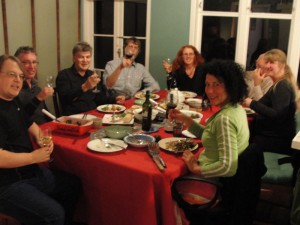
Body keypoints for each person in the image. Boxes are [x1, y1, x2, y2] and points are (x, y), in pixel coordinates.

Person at [0, 55, 82, 225]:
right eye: (12, 75)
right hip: (8, 184)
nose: (18, 80)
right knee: (55, 214)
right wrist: (33, 157)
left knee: (73, 184)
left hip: (30, 173)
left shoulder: (13, 101)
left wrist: (42, 138)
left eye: (20, 76)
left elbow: (30, 124)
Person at [169, 59, 249, 177]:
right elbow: (211, 136)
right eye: (207, 84)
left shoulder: (225, 119)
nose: (210, 91)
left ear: (231, 85)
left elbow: (228, 167)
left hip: (213, 180)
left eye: (217, 84)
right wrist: (186, 120)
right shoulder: (237, 108)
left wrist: (196, 169)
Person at [244, 49, 298, 156]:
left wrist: (252, 103)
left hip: (276, 140)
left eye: (272, 62)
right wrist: (257, 84)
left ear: (282, 65)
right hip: (270, 136)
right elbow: (262, 106)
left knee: (242, 146)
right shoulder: (278, 83)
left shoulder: (282, 85)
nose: (267, 65)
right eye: (267, 62)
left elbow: (277, 115)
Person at [56, 41, 125, 116]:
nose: (85, 60)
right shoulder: (64, 75)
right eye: (81, 57)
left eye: (88, 57)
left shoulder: (92, 74)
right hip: (74, 117)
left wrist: (115, 99)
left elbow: (98, 98)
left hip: (94, 115)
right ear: (74, 58)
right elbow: (65, 99)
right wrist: (84, 87)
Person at [14, 46, 54, 124]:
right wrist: (39, 98)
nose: (32, 67)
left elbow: (45, 114)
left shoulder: (36, 88)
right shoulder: (14, 89)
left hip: (44, 130)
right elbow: (20, 119)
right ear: (16, 65)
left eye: (34, 62)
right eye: (26, 62)